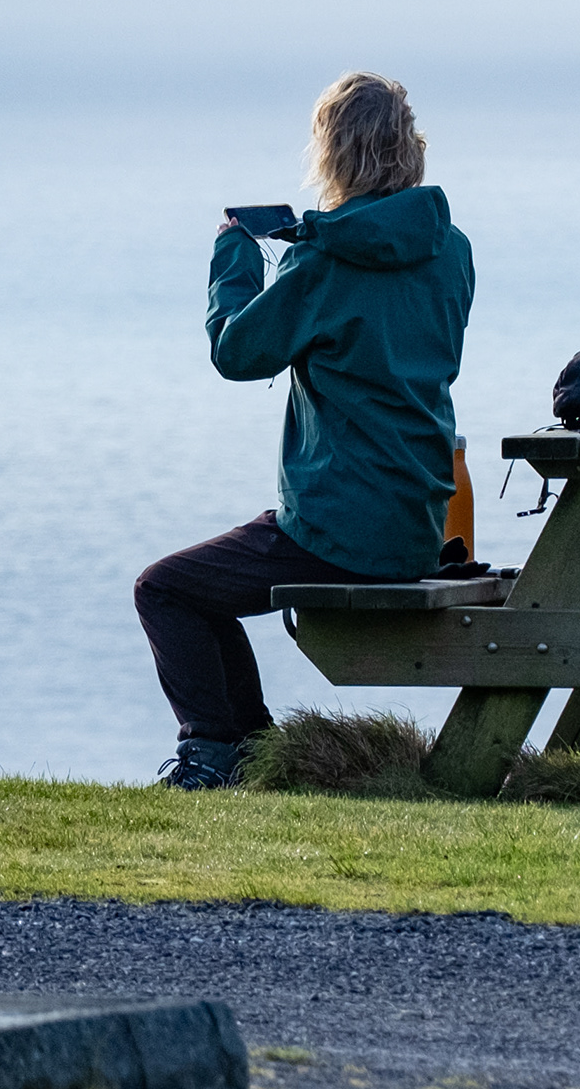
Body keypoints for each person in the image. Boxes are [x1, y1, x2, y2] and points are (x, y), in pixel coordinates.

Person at [132, 70, 476, 790]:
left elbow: (237, 352)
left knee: (165, 589)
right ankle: (252, 753)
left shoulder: (322, 260)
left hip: (337, 526)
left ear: (333, 154)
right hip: (417, 519)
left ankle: (214, 753)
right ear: (409, 150)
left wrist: (234, 251)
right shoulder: (451, 251)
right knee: (199, 589)